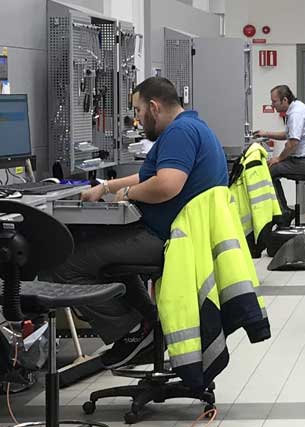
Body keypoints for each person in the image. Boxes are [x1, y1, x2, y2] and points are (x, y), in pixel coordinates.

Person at [49, 77, 229, 367]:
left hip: (168, 238)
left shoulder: (178, 133)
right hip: (180, 235)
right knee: (102, 253)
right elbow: (152, 176)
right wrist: (106, 188)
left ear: (154, 107)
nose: (137, 118)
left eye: (138, 110)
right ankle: (145, 325)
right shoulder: (194, 127)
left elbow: (166, 185)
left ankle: (130, 331)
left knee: (66, 262)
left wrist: (128, 193)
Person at [253, 85, 305, 219]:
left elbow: (292, 143)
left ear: (284, 100)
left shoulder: (296, 114)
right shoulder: (296, 108)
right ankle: (283, 209)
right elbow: (288, 135)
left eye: (274, 101)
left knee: (269, 171)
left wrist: (278, 158)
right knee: (271, 167)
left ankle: (283, 212)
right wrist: (266, 133)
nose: (272, 105)